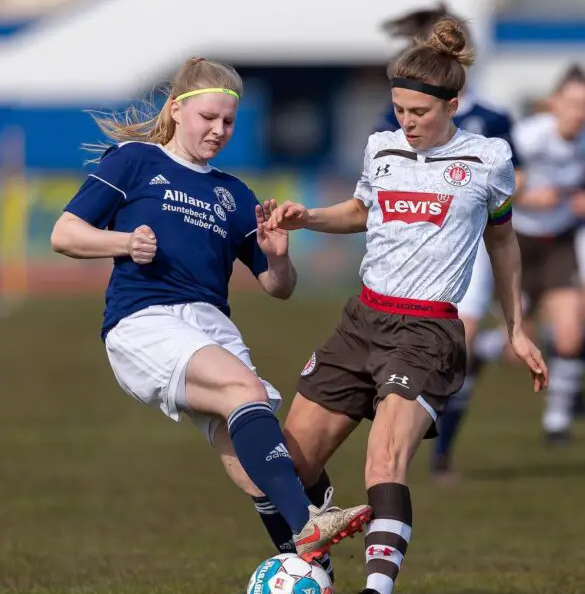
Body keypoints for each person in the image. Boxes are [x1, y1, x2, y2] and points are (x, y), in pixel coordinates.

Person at [263, 18, 548, 594]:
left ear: (453, 105)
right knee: (289, 459)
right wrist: (306, 217)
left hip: (427, 332)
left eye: (419, 111)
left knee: (385, 456)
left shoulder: (488, 159)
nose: (407, 121)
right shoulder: (381, 148)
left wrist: (517, 326)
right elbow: (362, 211)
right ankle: (313, 573)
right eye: (397, 109)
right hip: (361, 320)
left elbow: (502, 244)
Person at [50, 56, 372, 566]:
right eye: (209, 118)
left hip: (211, 326)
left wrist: (280, 257)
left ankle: (315, 583)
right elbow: (64, 234)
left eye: (229, 122)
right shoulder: (135, 160)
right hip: (146, 320)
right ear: (178, 110)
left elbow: (277, 288)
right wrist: (124, 241)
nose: (219, 130)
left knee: (258, 463)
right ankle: (309, 524)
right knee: (245, 394)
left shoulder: (234, 194)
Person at [378, 2, 525, 480]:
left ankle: (435, 450)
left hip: (471, 246)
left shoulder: (493, 118)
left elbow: (512, 181)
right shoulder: (396, 114)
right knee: (438, 350)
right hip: (415, 247)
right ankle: (409, 432)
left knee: (456, 343)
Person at [511, 65, 585, 444]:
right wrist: (527, 197)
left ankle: (557, 419)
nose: (579, 112)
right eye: (572, 103)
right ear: (555, 102)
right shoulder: (528, 137)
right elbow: (495, 185)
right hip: (516, 242)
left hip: (559, 242)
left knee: (571, 333)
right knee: (514, 341)